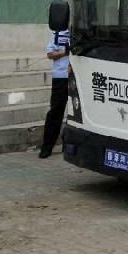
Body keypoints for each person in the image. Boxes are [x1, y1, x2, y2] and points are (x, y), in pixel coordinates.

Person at [40, 27, 71, 159]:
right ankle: (47, 146)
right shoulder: (59, 35)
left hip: (79, 76)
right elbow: (50, 54)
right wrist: (64, 52)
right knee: (56, 112)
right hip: (61, 78)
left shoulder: (82, 35)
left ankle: (69, 143)